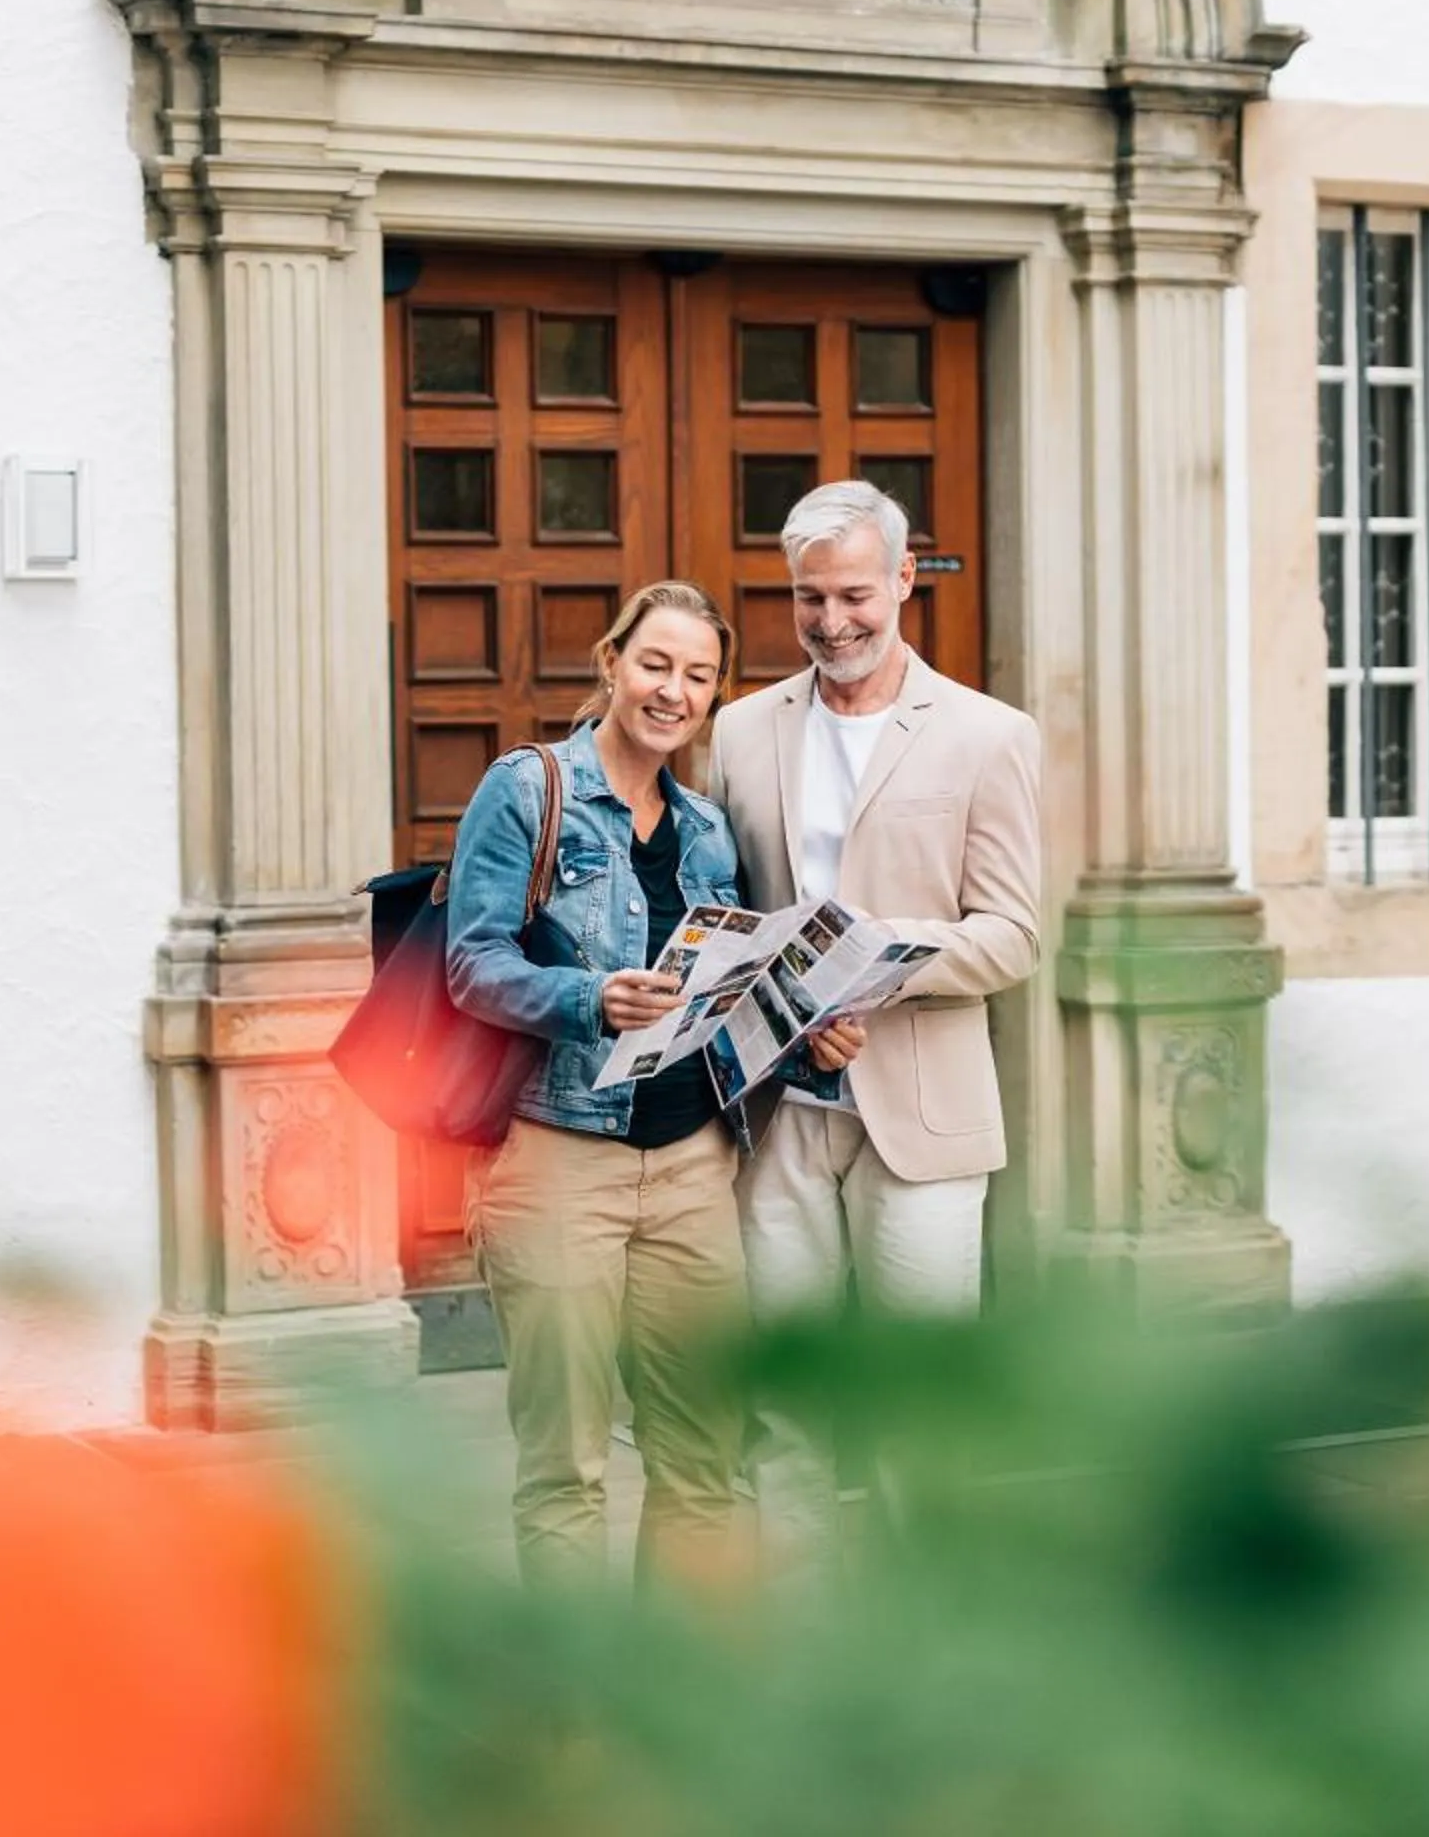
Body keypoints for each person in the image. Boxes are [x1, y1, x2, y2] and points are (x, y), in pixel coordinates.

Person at [444, 581, 822, 1593]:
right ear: (611, 661)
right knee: (565, 1464)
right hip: (561, 1154)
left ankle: (679, 1709)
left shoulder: (705, 828)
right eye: (656, 663)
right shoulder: (529, 789)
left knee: (704, 1459)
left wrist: (809, 1025)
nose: (674, 689)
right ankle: (573, 1723)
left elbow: (725, 989)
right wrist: (587, 996)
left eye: (698, 675)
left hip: (693, 1164)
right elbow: (471, 963)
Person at [705, 480, 1042, 1578]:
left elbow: (1013, 935)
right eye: (808, 599)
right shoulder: (741, 730)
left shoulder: (992, 737)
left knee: (917, 1409)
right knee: (784, 1407)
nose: (832, 621)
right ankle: (792, 1644)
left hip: (925, 1121)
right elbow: (726, 917)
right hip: (779, 1115)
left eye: (854, 593)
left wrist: (866, 971)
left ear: (904, 578)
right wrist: (786, 1008)